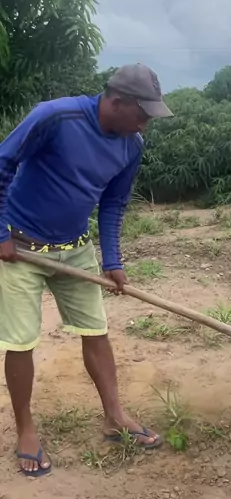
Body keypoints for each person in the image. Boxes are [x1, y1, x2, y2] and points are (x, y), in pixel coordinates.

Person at [0, 64, 173, 477]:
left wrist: (112, 261)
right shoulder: (56, 117)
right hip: (20, 249)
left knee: (96, 331)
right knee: (21, 342)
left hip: (75, 250)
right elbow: (2, 164)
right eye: (141, 114)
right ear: (116, 102)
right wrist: (0, 232)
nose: (145, 124)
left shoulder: (132, 146)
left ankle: (114, 416)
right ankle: (26, 430)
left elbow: (113, 203)